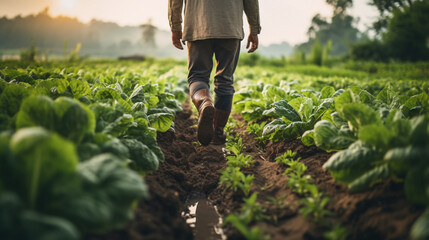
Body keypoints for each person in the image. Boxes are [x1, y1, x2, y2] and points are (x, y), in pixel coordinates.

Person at [168, 0, 261, 146]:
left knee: (197, 76)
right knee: (225, 79)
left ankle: (204, 102)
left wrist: (175, 25)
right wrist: (254, 29)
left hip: (197, 23)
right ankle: (217, 131)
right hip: (230, 26)